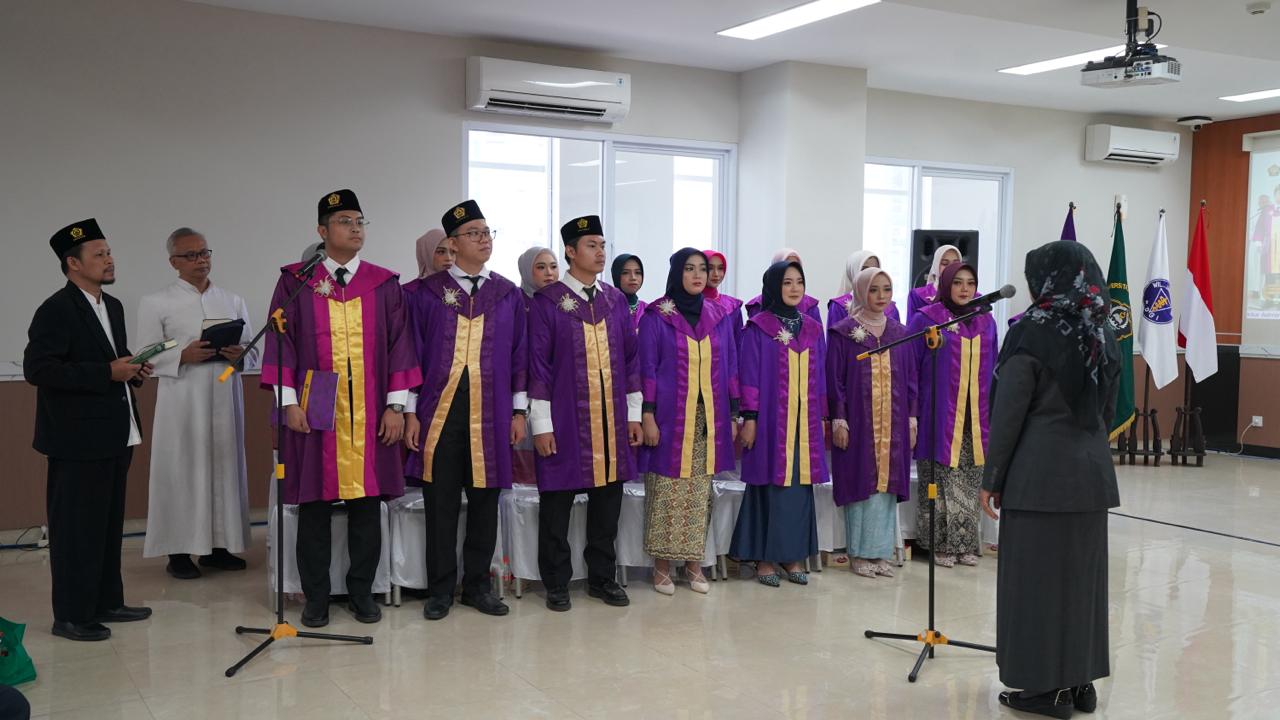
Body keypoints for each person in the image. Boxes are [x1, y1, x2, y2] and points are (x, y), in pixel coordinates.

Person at [262, 189, 422, 628]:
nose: (355, 228)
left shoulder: (383, 284)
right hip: (316, 404)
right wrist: (288, 403)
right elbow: (281, 343)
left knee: (367, 506)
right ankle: (316, 597)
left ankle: (361, 592)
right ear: (322, 230)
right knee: (313, 506)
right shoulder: (296, 282)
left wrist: (396, 406)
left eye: (359, 221)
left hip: (370, 410)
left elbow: (401, 346)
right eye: (344, 221)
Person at [981, 241, 1120, 719]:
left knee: (1035, 585)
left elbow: (1009, 413)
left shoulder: (1029, 331)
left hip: (1037, 479)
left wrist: (992, 476)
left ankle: (1045, 690)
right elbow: (1108, 409)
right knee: (1082, 585)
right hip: (1091, 478)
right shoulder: (1103, 329)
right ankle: (1080, 684)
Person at [24, 218, 154, 641]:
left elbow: (112, 357)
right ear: (73, 264)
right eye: (99, 254)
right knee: (76, 531)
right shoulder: (56, 309)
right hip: (77, 440)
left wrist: (133, 368)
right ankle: (71, 616)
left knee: (107, 526)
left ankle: (106, 602)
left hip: (115, 432)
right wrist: (106, 372)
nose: (109, 259)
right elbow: (39, 369)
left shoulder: (111, 305)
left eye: (109, 252)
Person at [403, 200, 525, 621]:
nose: (484, 239)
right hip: (440, 414)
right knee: (440, 505)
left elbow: (519, 356)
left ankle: (477, 587)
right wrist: (410, 412)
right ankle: (440, 589)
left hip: (491, 414)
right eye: (474, 233)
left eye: (487, 232)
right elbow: (411, 353)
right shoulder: (425, 294)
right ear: (452, 244)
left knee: (485, 503)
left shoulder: (506, 294)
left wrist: (519, 412)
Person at [528, 215, 641, 611]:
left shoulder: (614, 301)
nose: (600, 252)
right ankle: (556, 581)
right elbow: (538, 367)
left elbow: (631, 360)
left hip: (610, 419)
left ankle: (602, 578)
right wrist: (541, 425)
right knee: (557, 505)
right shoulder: (548, 302)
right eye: (591, 245)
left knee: (607, 504)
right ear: (571, 252)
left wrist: (633, 414)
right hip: (565, 420)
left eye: (602, 245)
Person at [137, 228, 256, 579]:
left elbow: (252, 350)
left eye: (204, 253)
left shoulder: (232, 300)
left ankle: (218, 547)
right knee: (182, 469)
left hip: (224, 394)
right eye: (190, 255)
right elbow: (145, 352)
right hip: (182, 399)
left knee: (223, 467)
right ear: (173, 262)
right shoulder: (156, 302)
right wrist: (182, 354)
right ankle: (178, 552)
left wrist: (240, 354)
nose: (200, 260)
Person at [638, 248, 738, 595]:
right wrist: (647, 414)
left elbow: (730, 365)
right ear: (677, 273)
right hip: (669, 418)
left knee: (699, 492)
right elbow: (647, 368)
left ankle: (694, 564)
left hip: (707, 419)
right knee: (666, 490)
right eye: (690, 269)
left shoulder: (718, 315)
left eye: (703, 269)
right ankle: (662, 566)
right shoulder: (657, 316)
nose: (698, 275)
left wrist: (735, 413)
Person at [731, 260, 827, 586]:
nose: (795, 288)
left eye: (799, 281)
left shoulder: (812, 328)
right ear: (774, 286)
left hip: (804, 424)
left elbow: (820, 376)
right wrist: (750, 418)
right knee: (769, 486)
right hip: (771, 423)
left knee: (799, 488)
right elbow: (749, 376)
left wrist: (822, 417)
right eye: (787, 282)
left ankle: (792, 555)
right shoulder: (759, 327)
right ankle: (764, 558)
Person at [828, 268, 916, 579]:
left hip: (894, 423)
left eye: (886, 289)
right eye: (874, 289)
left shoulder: (900, 333)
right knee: (860, 483)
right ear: (861, 291)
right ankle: (858, 553)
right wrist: (839, 418)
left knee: (886, 487)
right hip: (859, 422)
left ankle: (879, 552)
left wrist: (912, 418)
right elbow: (835, 379)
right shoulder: (843, 332)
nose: (881, 296)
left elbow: (911, 379)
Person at [908, 261, 996, 568]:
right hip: (938, 415)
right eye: (957, 282)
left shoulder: (985, 320)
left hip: (975, 418)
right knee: (940, 481)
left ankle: (964, 543)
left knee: (969, 481)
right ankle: (938, 545)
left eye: (970, 283)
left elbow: (994, 366)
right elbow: (911, 368)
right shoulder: (926, 319)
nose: (964, 289)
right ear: (945, 284)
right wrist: (913, 413)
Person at [744, 248, 822, 324]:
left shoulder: (810, 306)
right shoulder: (757, 305)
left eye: (796, 265)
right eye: (786, 264)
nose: (791, 269)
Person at [827, 250, 901, 329]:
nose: (870, 273)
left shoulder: (890, 308)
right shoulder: (839, 306)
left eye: (874, 269)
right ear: (853, 271)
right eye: (864, 269)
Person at [906, 244, 962, 321]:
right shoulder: (917, 295)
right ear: (936, 266)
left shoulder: (973, 297)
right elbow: (912, 327)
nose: (951, 268)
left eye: (956, 263)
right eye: (945, 264)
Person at [703, 249, 744, 345]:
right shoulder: (689, 304)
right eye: (710, 268)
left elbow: (739, 345)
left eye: (720, 268)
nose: (716, 274)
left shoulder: (732, 307)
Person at [404, 229, 453, 298]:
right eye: (441, 252)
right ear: (426, 254)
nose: (449, 258)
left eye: (453, 252)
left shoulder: (463, 289)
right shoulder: (408, 293)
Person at [611, 253, 646, 329]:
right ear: (616, 276)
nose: (633, 278)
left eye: (637, 272)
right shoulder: (608, 309)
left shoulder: (648, 310)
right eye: (625, 273)